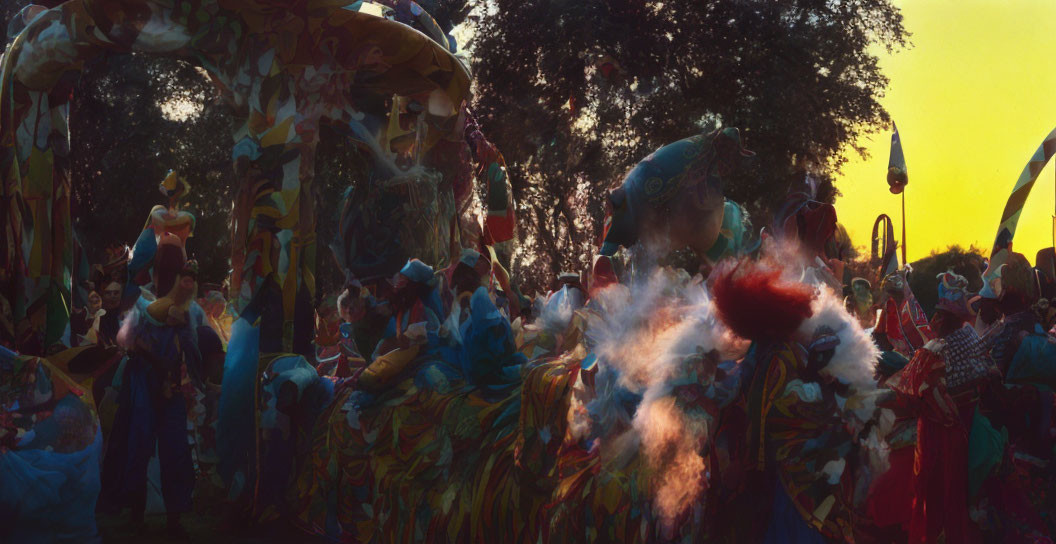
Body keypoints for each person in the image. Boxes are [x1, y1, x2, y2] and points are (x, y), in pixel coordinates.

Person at [885, 271, 993, 543]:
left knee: (939, 496)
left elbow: (908, 392)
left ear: (943, 318)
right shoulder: (972, 339)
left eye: (937, 314)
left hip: (942, 439)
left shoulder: (935, 350)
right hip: (975, 428)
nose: (933, 319)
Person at [102, 250, 203, 537]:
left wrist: (191, 377)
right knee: (141, 444)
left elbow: (192, 348)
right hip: (145, 380)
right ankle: (143, 513)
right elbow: (128, 342)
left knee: (166, 447)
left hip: (164, 382)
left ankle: (168, 516)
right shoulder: (143, 301)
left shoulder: (183, 307)